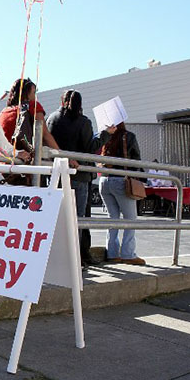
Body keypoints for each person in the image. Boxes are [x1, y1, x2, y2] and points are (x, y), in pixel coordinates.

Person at [46, 89, 114, 267]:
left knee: (58, 216)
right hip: (79, 175)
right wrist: (106, 134)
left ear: (62, 100)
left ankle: (58, 257)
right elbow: (90, 146)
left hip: (56, 174)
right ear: (80, 104)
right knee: (79, 218)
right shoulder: (83, 122)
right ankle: (76, 259)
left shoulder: (52, 119)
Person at [98, 122, 145, 265]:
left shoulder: (105, 136)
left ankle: (112, 253)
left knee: (113, 218)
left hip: (104, 180)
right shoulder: (128, 136)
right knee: (130, 219)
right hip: (121, 181)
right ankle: (128, 254)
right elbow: (136, 160)